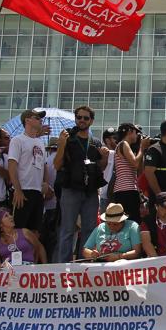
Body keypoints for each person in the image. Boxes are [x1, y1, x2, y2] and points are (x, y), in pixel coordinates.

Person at [53, 105, 108, 262]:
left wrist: (104, 157)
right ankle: (63, 264)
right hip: (70, 189)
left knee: (90, 229)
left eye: (86, 118)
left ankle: (84, 263)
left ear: (91, 121)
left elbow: (100, 168)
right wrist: (62, 145)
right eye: (79, 117)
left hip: (90, 191)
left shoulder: (95, 142)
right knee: (67, 229)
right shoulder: (67, 138)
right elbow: (57, 165)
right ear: (75, 119)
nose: (82, 120)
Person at [7, 109, 48, 234]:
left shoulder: (40, 142)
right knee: (18, 230)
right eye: (36, 117)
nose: (40, 120)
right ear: (27, 120)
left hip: (37, 192)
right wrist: (17, 190)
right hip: (23, 191)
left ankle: (31, 254)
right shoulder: (17, 140)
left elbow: (44, 165)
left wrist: (45, 182)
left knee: (35, 230)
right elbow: (12, 165)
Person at [108, 122, 149, 221]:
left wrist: (141, 150)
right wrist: (142, 148)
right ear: (130, 131)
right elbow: (135, 163)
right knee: (131, 221)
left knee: (132, 220)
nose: (137, 136)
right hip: (125, 190)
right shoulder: (123, 144)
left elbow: (140, 170)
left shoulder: (125, 146)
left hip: (128, 189)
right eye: (136, 133)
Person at [99, 127, 119, 213]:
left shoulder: (117, 152)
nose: (118, 139)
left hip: (116, 194)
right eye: (115, 137)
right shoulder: (105, 153)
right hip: (106, 196)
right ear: (107, 140)